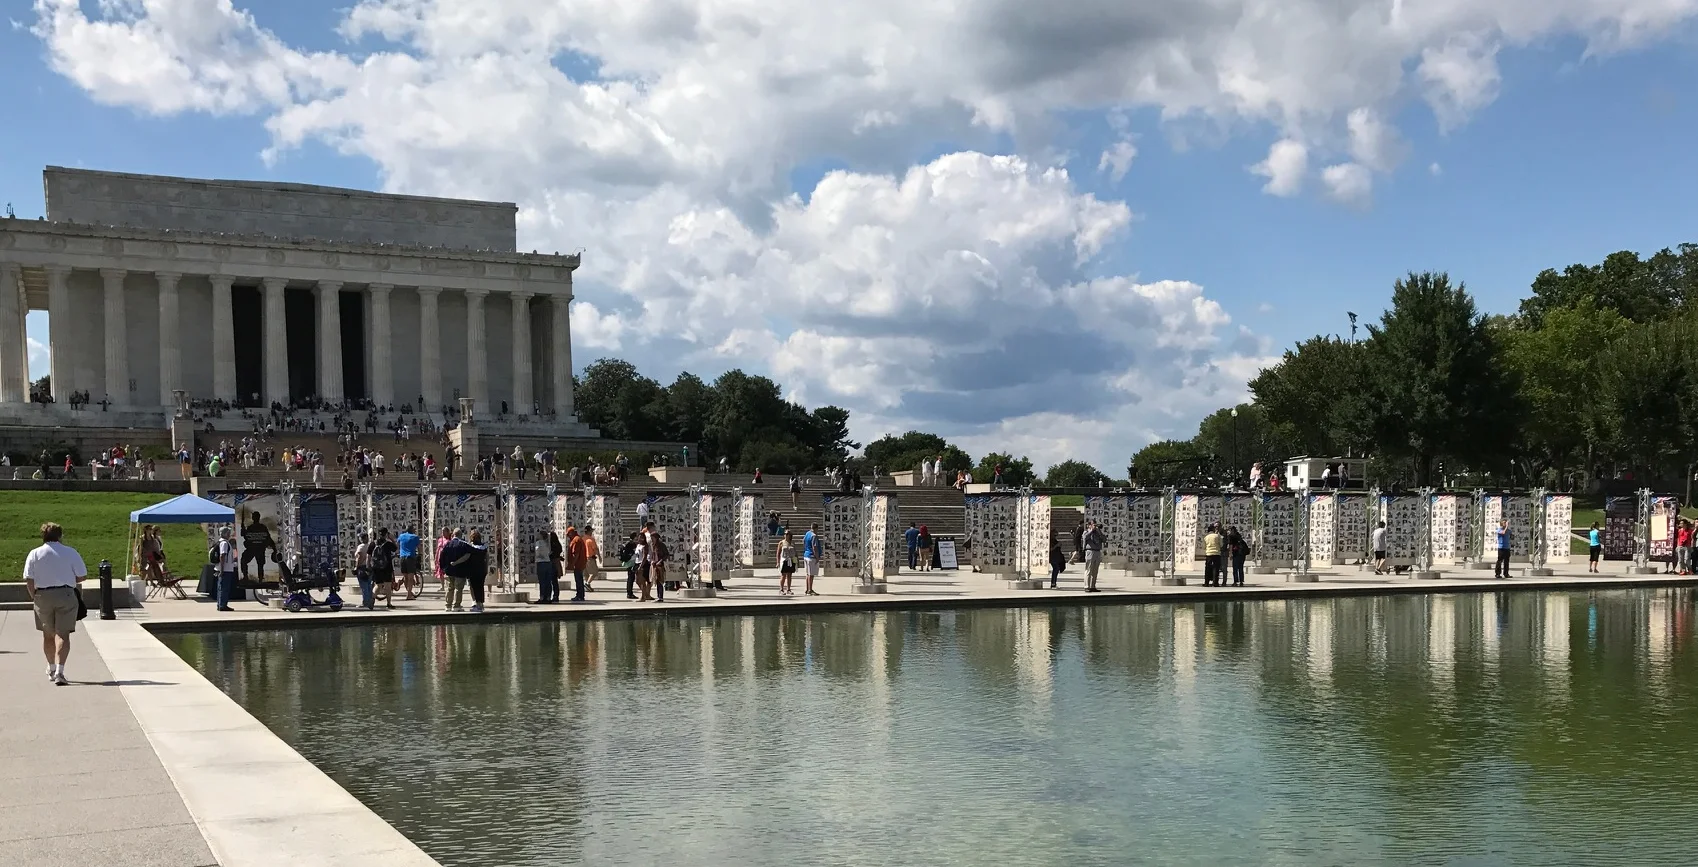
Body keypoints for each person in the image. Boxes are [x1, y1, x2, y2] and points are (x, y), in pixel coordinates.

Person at [24, 522, 87, 686]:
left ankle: (51, 667)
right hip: (65, 594)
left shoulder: (34, 553)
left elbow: (29, 578)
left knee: (48, 634)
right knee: (63, 634)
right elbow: (82, 576)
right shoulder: (70, 552)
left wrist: (34, 596)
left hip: (42, 595)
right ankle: (60, 670)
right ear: (60, 536)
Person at [440, 530, 489, 612]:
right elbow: (472, 553)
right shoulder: (463, 544)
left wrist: (443, 568)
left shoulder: (447, 544)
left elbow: (441, 556)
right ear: (460, 535)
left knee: (449, 588)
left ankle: (448, 605)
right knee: (458, 588)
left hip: (449, 570)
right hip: (460, 571)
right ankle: (456, 606)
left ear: (453, 535)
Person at [240, 512, 274, 583]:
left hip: (257, 549)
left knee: (260, 564)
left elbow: (267, 537)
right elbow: (246, 536)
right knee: (245, 560)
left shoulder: (258, 527)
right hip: (254, 549)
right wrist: (243, 530)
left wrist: (273, 547)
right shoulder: (253, 527)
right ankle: (246, 577)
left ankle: (259, 579)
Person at [369, 528, 398, 609]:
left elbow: (369, 555)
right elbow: (396, 549)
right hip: (387, 567)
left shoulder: (373, 543)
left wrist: (369, 566)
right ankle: (388, 603)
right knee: (388, 586)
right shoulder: (388, 544)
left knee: (378, 585)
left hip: (376, 568)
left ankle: (372, 599)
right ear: (386, 534)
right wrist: (392, 539)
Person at [215, 526, 238, 610]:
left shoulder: (221, 542)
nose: (229, 534)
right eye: (228, 533)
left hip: (225, 568)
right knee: (224, 588)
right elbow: (222, 555)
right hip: (225, 569)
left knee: (221, 587)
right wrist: (222, 569)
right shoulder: (224, 543)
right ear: (225, 534)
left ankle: (220, 604)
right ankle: (222, 605)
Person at [396, 525, 422, 600]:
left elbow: (397, 545)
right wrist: (420, 554)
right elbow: (419, 547)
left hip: (402, 557)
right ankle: (409, 595)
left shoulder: (401, 536)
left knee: (405, 577)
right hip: (410, 557)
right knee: (410, 578)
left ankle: (409, 592)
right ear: (412, 530)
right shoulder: (415, 537)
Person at [532, 530, 558, 604]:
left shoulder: (538, 543)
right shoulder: (547, 543)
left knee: (542, 581)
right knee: (548, 581)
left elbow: (537, 552)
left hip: (541, 562)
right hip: (548, 562)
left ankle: (542, 597)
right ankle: (548, 597)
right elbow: (549, 552)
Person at [1081, 520, 1105, 592]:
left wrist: (1099, 532)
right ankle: (1086, 586)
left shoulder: (1098, 533)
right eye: (1093, 525)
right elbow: (1085, 538)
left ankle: (1093, 586)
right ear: (1089, 525)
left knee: (1095, 570)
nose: (1095, 526)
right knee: (1089, 569)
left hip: (1097, 551)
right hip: (1090, 551)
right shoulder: (1086, 532)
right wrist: (1091, 531)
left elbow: (1104, 540)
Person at [567, 527, 589, 602]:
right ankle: (580, 595)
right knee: (579, 580)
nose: (568, 536)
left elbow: (576, 554)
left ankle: (580, 595)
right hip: (581, 563)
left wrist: (572, 564)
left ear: (571, 533)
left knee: (578, 580)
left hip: (578, 564)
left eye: (568, 534)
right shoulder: (578, 538)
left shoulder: (576, 540)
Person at [353, 531, 374, 609]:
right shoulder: (370, 546)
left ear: (362, 539)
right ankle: (370, 601)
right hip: (369, 567)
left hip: (362, 567)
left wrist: (356, 567)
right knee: (369, 585)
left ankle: (365, 602)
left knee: (364, 586)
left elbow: (359, 557)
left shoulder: (361, 547)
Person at [801, 522, 822, 596]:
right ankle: (810, 590)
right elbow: (815, 547)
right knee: (811, 574)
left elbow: (803, 541)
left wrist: (806, 548)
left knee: (808, 574)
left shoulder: (807, 533)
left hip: (806, 555)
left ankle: (807, 589)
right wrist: (817, 557)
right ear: (816, 528)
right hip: (811, 556)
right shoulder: (814, 536)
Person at [776, 531, 798, 596]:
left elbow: (795, 553)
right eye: (785, 534)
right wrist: (778, 562)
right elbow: (778, 553)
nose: (786, 535)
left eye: (787, 534)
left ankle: (788, 589)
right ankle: (781, 589)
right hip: (784, 560)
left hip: (791, 560)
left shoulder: (792, 543)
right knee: (783, 575)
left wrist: (796, 562)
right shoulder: (781, 543)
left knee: (789, 575)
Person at [581, 525, 600, 593]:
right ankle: (587, 584)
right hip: (590, 557)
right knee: (594, 572)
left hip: (583, 558)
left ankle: (587, 586)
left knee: (586, 573)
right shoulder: (591, 539)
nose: (592, 532)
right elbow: (595, 549)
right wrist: (599, 557)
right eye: (591, 530)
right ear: (589, 531)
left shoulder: (582, 538)